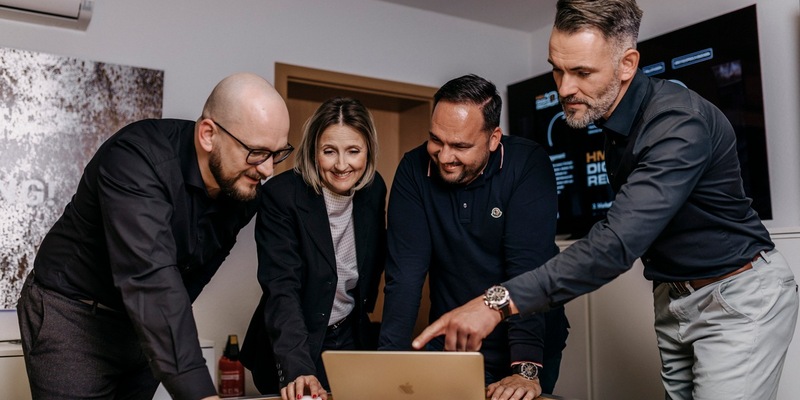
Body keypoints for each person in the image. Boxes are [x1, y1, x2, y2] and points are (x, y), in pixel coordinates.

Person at [413, 1, 800, 399]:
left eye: (581, 72)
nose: (563, 88)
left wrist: (495, 303)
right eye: (557, 69)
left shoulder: (678, 123)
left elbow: (616, 244)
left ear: (627, 64)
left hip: (735, 294)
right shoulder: (614, 122)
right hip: (674, 295)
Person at [16, 72, 292, 400]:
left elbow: (194, 273)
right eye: (257, 152)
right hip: (73, 313)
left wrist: (165, 336)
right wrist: (202, 393)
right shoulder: (136, 160)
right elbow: (150, 278)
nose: (268, 170)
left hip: (142, 323)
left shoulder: (243, 189)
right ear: (208, 134)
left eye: (278, 153)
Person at [378, 74, 569, 400]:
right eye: (436, 140)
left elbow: (528, 270)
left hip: (526, 341)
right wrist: (388, 364)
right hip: (453, 339)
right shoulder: (414, 169)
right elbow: (405, 275)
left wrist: (525, 371)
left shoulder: (526, 164)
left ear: (494, 138)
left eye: (461, 146)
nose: (444, 156)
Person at [239, 97, 387, 400]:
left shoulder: (374, 190)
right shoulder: (281, 197)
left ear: (368, 151)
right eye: (329, 151)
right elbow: (282, 289)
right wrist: (297, 368)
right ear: (313, 151)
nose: (342, 165)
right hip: (294, 338)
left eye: (354, 151)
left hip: (348, 333)